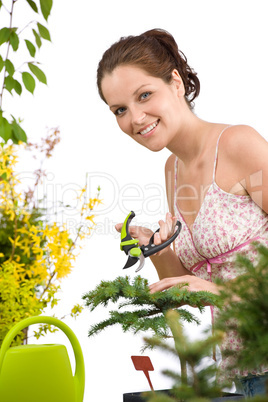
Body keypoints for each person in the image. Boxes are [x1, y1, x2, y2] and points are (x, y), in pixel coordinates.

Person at [96, 28, 268, 397]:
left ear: (175, 82)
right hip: (241, 372)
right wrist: (160, 251)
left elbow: (217, 291)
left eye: (145, 95)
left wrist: (222, 294)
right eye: (120, 110)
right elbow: (194, 289)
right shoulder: (172, 169)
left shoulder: (239, 145)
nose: (136, 118)